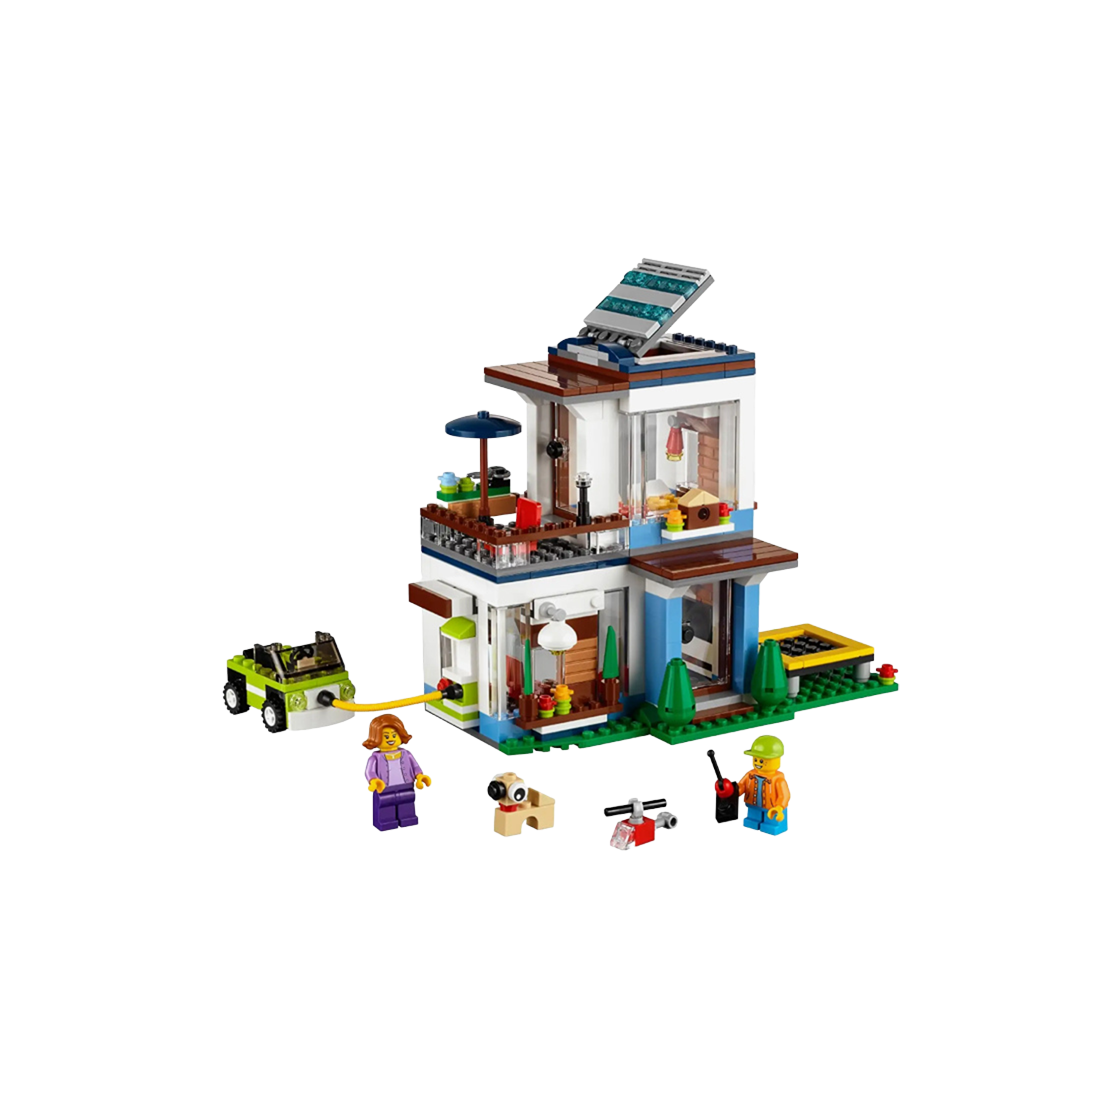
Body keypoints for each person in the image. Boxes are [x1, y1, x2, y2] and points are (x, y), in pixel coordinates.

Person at [363, 713, 430, 831]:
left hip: (406, 785)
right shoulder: (375, 758)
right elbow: (370, 772)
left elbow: (415, 767)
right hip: (384, 788)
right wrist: (374, 781)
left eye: (394, 735)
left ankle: (407, 818)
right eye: (386, 736)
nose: (391, 739)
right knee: (385, 804)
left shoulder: (406, 754)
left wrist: (420, 776)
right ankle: (386, 821)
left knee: (407, 801)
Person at [737, 734, 791, 835]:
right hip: (753, 805)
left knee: (771, 822)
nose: (758, 763)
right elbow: (742, 786)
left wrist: (779, 807)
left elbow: (784, 795)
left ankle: (771, 825)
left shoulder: (778, 780)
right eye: (756, 759)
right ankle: (754, 821)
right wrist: (734, 791)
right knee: (753, 818)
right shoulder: (750, 775)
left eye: (762, 761)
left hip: (771, 808)